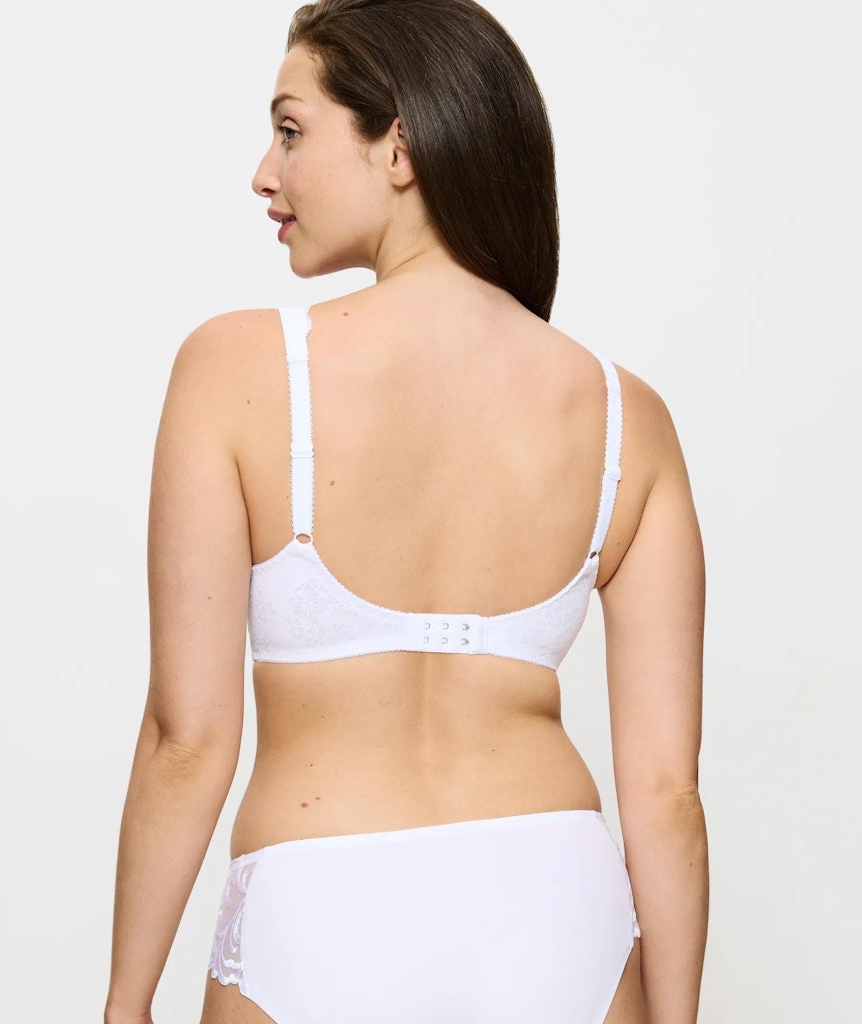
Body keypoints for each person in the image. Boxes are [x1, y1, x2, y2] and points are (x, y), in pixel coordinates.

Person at [105, 1, 708, 1022]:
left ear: (400, 145)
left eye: (290, 131)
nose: (264, 173)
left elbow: (186, 737)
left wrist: (125, 1003)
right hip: (556, 909)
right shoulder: (624, 418)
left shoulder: (236, 370)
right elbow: (666, 792)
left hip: (318, 904)